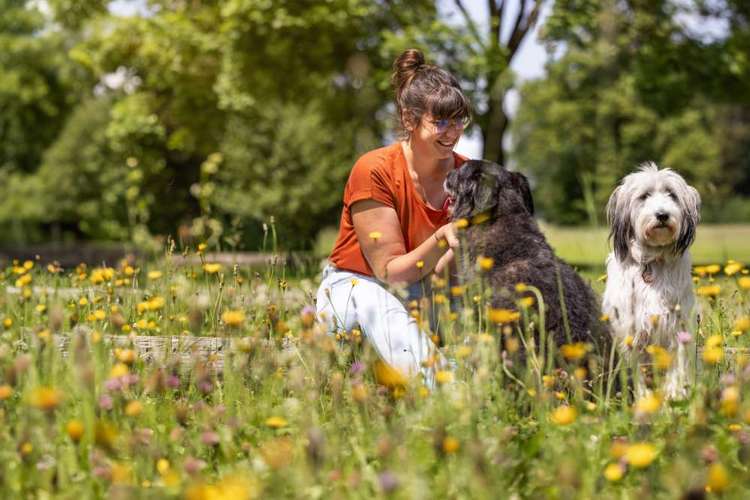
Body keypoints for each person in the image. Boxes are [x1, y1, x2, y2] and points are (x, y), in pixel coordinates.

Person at [315, 48, 471, 385]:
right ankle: (446, 390)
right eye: (440, 121)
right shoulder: (374, 169)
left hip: (423, 290)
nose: (453, 131)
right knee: (375, 298)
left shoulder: (465, 175)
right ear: (409, 120)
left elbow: (445, 279)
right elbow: (390, 273)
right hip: (356, 289)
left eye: (459, 119)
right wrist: (442, 237)